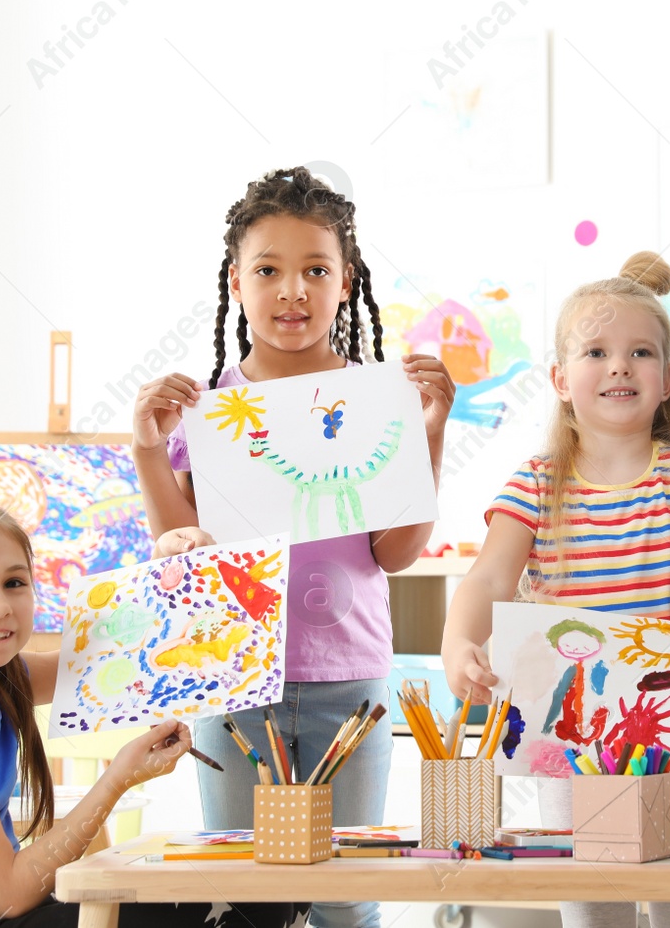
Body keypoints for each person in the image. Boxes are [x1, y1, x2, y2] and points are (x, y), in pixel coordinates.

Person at [133, 166, 453, 928]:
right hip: (236, 682)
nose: (292, 290)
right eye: (268, 270)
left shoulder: (378, 403)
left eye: (316, 269)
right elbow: (184, 554)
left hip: (351, 678)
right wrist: (148, 450)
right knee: (243, 894)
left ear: (346, 283)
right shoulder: (208, 413)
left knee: (348, 895)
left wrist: (431, 432)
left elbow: (396, 552)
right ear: (236, 284)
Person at [442, 252, 670, 928]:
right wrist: (460, 641)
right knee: (593, 904)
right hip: (571, 736)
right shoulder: (538, 482)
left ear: (668, 380)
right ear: (559, 379)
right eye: (596, 351)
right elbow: (489, 576)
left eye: (640, 352)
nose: (619, 366)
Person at [0, 479, 303, 928]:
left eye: (13, 582)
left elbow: (125, 645)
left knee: (273, 899)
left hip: (3, 915)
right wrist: (117, 779)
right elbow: (10, 893)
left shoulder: (4, 680)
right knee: (247, 911)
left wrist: (167, 574)